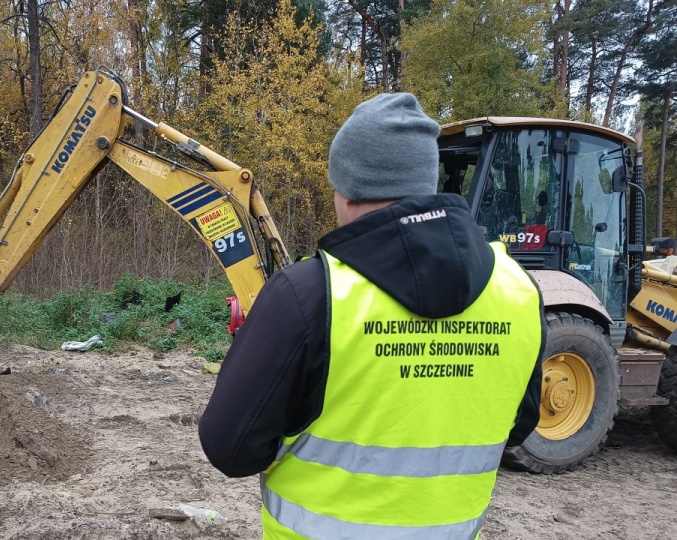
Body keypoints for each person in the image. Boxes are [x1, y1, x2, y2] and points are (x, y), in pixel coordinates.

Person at [198, 93, 545, 539]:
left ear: (346, 187)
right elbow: (517, 426)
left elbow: (230, 449)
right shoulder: (518, 292)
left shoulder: (309, 294)